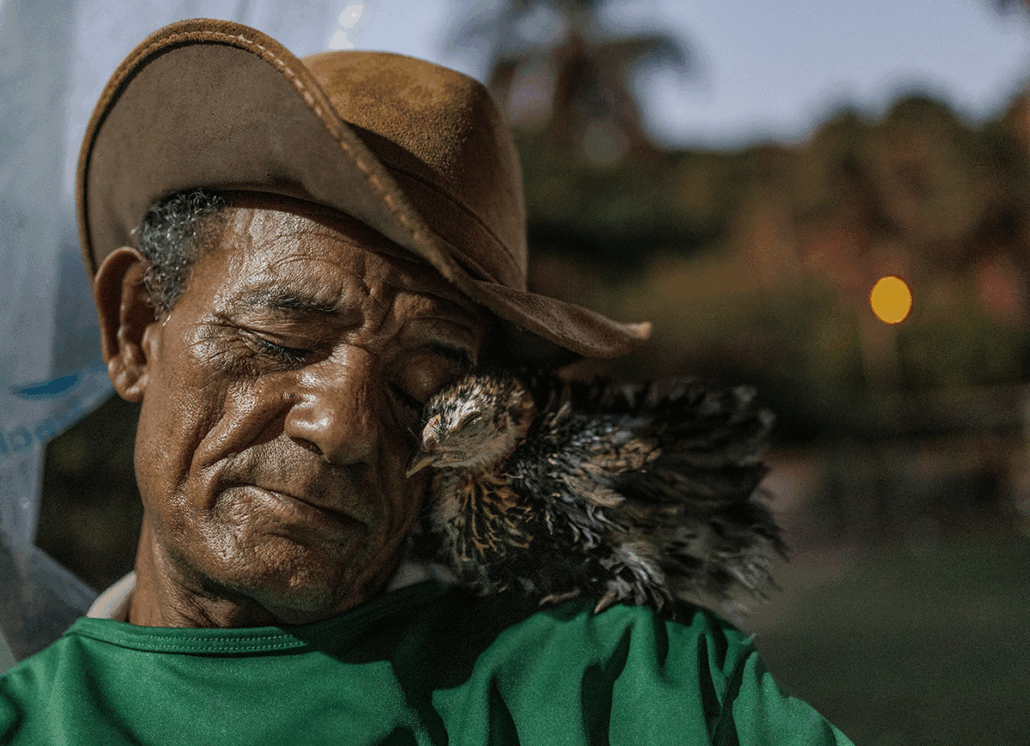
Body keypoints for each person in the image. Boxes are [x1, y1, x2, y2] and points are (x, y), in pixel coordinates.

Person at [0, 18, 854, 745]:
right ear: (134, 327)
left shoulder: (631, 693)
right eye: (282, 334)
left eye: (423, 385)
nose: (345, 425)